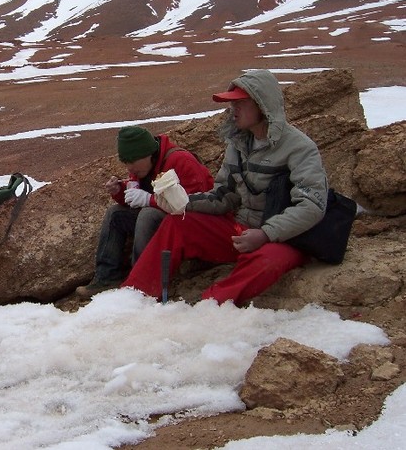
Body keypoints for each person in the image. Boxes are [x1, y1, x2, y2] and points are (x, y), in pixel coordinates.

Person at [122, 69, 329, 305]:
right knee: (177, 222)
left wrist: (265, 234)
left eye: (240, 103)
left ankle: (211, 305)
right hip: (242, 231)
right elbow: (224, 195)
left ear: (262, 105)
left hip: (283, 237)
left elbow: (312, 205)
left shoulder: (299, 147)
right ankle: (134, 297)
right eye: (232, 104)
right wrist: (184, 203)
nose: (233, 110)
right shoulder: (238, 143)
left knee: (269, 260)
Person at [75, 126, 214, 297]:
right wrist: (120, 191)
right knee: (115, 214)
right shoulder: (144, 167)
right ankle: (106, 278)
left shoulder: (181, 161)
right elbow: (138, 198)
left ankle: (141, 282)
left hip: (191, 226)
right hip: (166, 218)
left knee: (148, 215)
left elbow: (194, 204)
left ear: (148, 153)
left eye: (132, 161)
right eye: (126, 162)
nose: (129, 168)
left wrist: (149, 200)